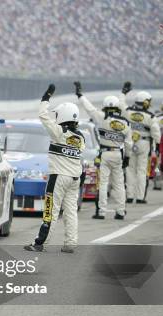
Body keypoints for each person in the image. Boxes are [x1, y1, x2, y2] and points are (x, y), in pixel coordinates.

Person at [25, 84, 85, 253]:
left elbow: (42, 115)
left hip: (59, 177)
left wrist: (46, 97)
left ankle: (40, 243)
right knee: (71, 212)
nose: (56, 116)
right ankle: (70, 243)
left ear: (63, 116)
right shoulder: (81, 137)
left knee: (51, 210)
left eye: (58, 114)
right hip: (74, 178)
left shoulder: (59, 132)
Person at [74, 82, 131, 220]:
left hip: (105, 153)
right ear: (117, 107)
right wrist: (127, 157)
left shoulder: (101, 117)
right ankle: (121, 211)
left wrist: (80, 95)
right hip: (118, 153)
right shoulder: (126, 122)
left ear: (105, 107)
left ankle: (101, 212)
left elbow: (89, 108)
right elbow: (129, 143)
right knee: (119, 184)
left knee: (103, 183)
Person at [119, 82, 161, 203]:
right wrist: (157, 146)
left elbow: (121, 105)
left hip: (130, 142)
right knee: (141, 171)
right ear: (145, 102)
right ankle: (140, 197)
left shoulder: (128, 112)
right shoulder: (150, 116)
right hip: (144, 143)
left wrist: (123, 93)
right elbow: (156, 132)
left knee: (130, 170)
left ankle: (130, 196)